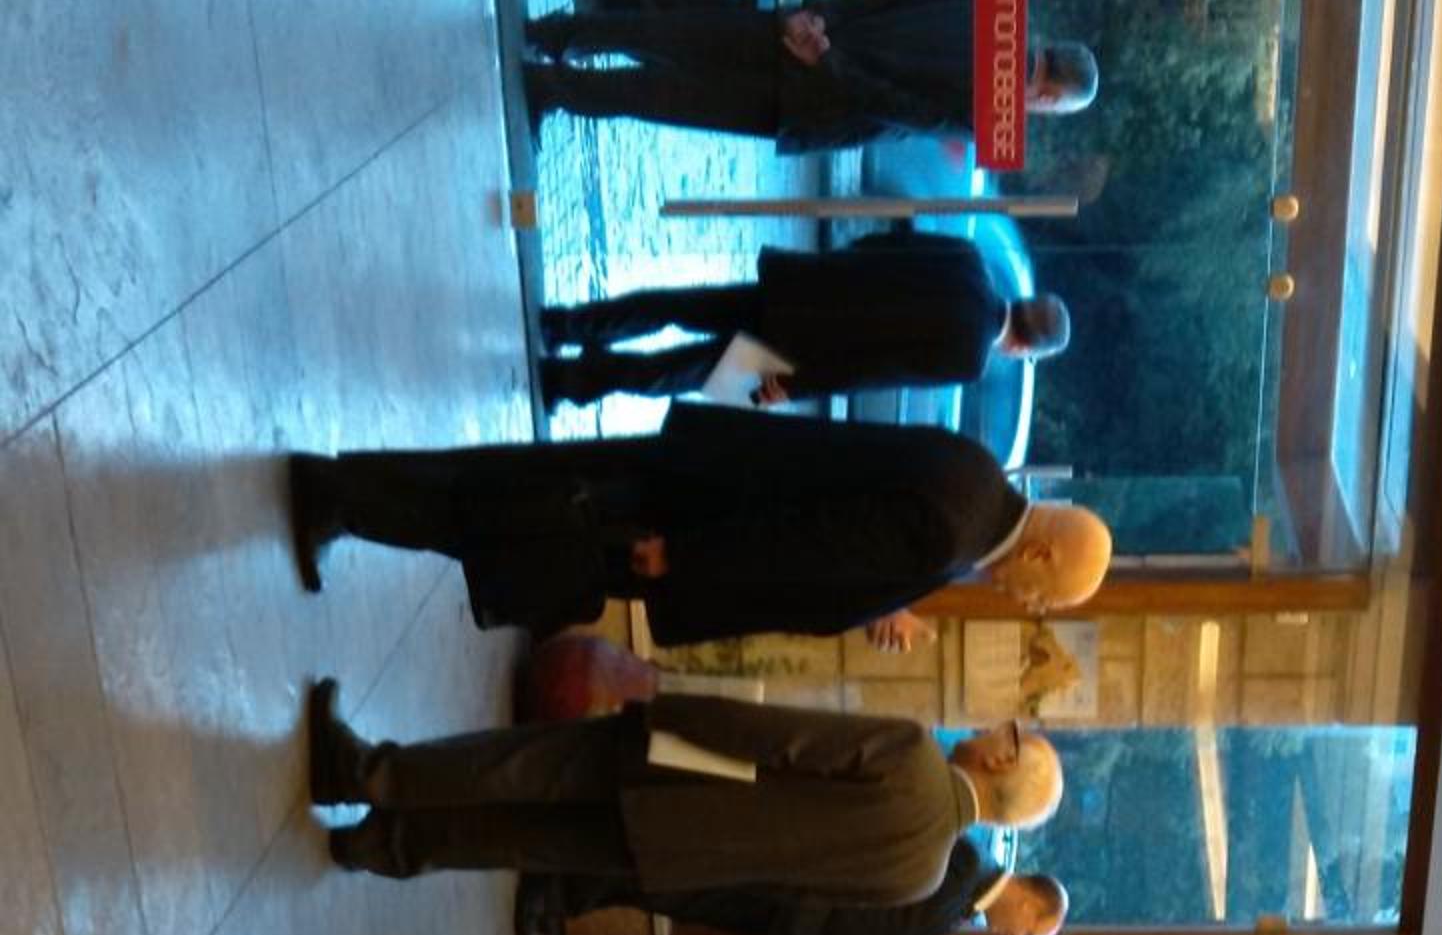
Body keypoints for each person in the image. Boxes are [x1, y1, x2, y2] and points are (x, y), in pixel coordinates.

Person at [287, 405, 1114, 645]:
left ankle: (347, 485)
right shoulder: (949, 537)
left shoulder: (976, 474)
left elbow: (847, 511)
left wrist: (880, 601)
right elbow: (803, 545)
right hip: (683, 526)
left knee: (509, 480)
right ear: (1043, 552)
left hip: (701, 475)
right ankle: (342, 500)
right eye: (1046, 597)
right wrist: (684, 554)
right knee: (507, 527)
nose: (1030, 604)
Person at [309, 684, 1063, 897]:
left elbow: (779, 736)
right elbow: (790, 896)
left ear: (1003, 762)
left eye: (1007, 735)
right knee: (517, 842)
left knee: (520, 767)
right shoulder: (922, 876)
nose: (991, 730)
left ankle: (365, 773)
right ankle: (378, 847)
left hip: (677, 773)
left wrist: (670, 712)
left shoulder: (914, 757)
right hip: (680, 859)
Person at [522, 0, 1100, 150]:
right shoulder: (991, 115)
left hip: (801, 30)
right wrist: (826, 61)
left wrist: (819, 13)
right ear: (1050, 97)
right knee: (671, 98)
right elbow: (896, 109)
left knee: (678, 36)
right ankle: (552, 88)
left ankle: (554, 34)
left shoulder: (992, 2)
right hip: (810, 98)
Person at [536, 230, 1070, 408]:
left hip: (799, 287)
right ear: (1023, 348)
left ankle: (566, 324)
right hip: (799, 349)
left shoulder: (969, 259)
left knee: (677, 306)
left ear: (1025, 301)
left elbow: (883, 243)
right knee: (680, 372)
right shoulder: (967, 358)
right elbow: (872, 370)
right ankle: (570, 380)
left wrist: (833, 268)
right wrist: (794, 387)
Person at [511, 844, 1068, 935]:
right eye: (1029, 931)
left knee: (677, 899)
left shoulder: (966, 902)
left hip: (798, 919)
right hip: (797, 894)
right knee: (676, 880)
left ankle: (569, 894)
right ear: (1029, 902)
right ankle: (558, 883)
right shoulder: (965, 862)